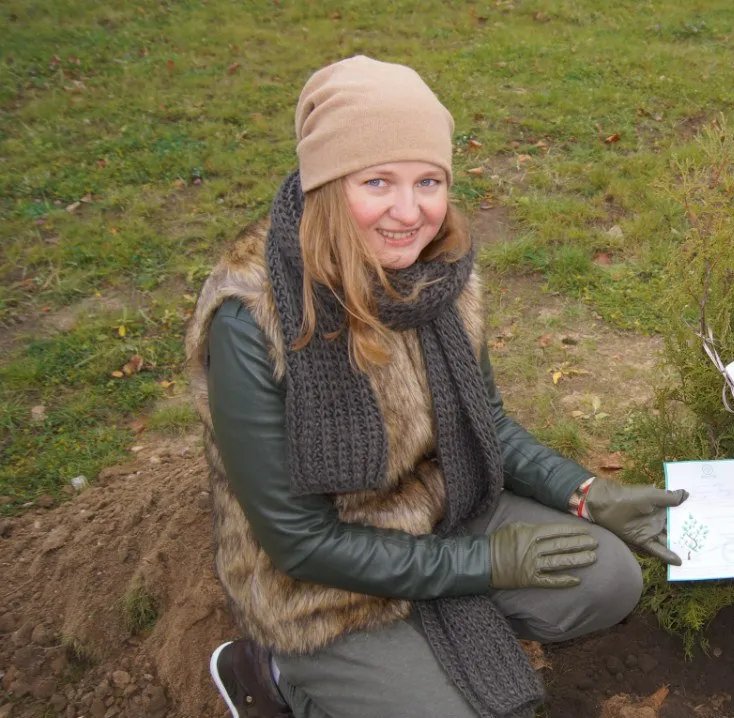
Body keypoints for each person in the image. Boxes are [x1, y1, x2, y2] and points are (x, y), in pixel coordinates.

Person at [185, 55, 687, 718]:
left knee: (608, 581)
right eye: (377, 181)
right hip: (316, 583)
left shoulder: (439, 278)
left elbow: (489, 427)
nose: (409, 211)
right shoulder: (253, 319)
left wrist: (587, 493)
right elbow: (299, 543)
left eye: (429, 180)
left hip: (444, 510)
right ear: (327, 184)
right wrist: (485, 567)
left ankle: (420, 648)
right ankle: (279, 675)